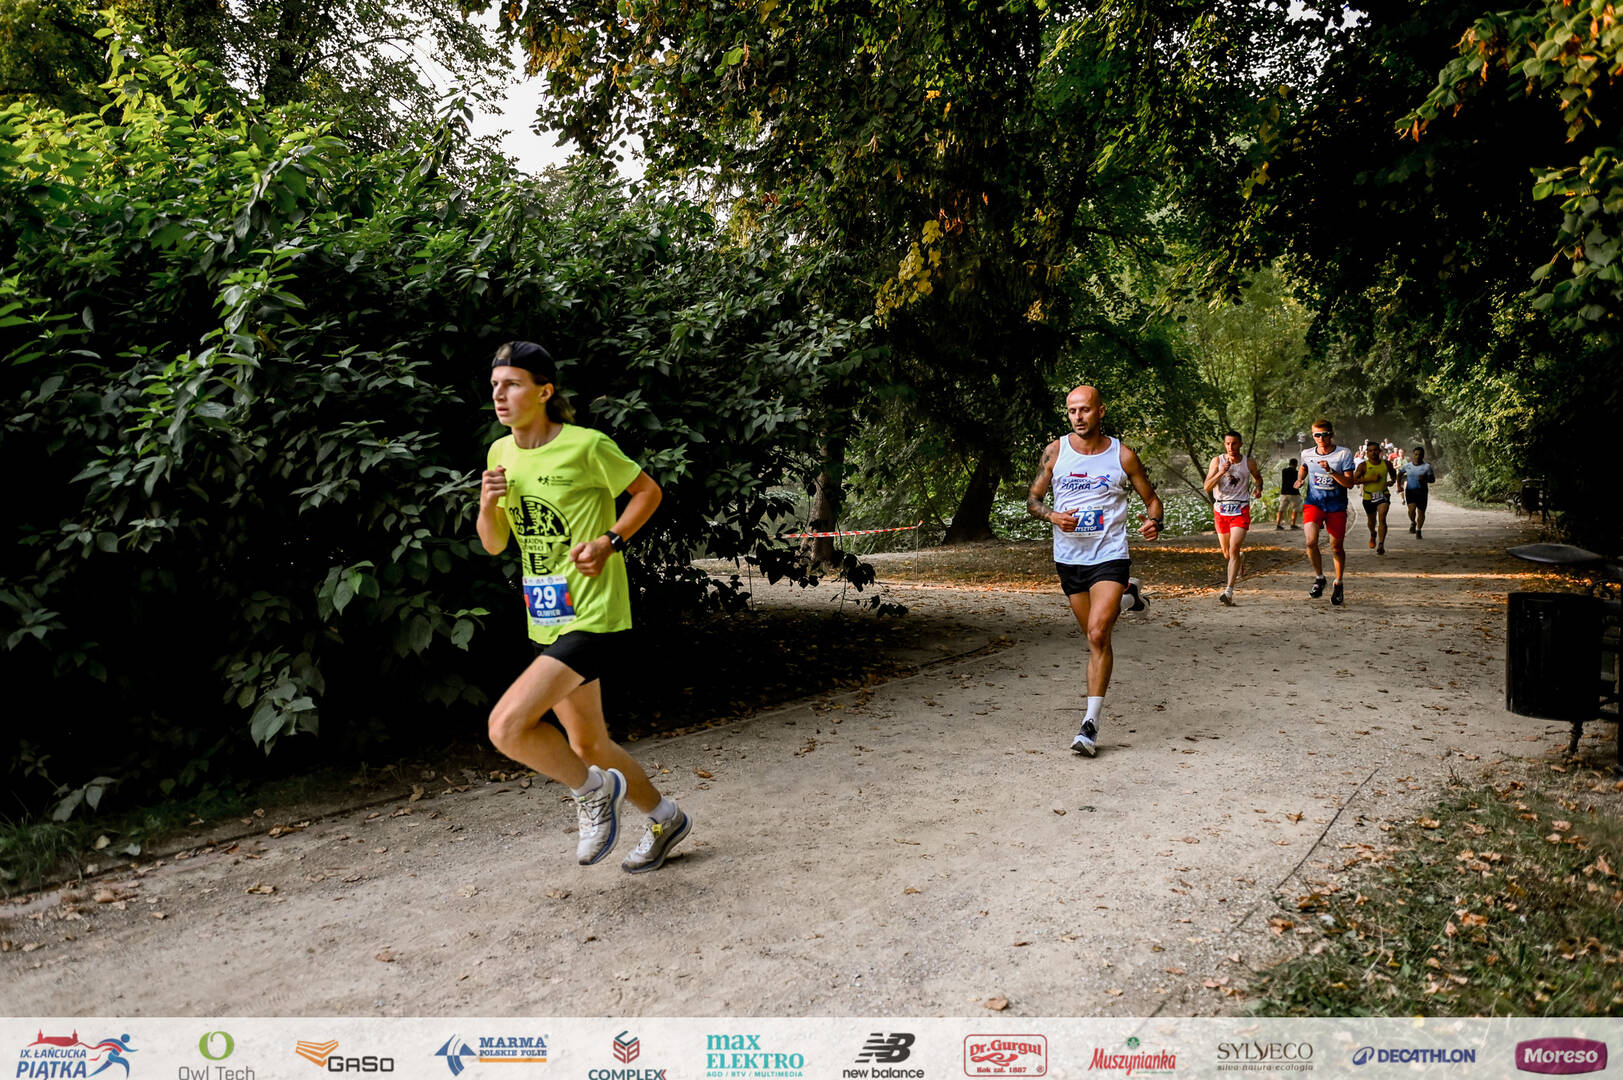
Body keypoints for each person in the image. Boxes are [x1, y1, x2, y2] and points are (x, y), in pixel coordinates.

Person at [477, 340, 691, 873]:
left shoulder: (587, 446)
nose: (500, 395)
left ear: (544, 391)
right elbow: (494, 543)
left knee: (506, 727)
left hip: (594, 614)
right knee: (589, 742)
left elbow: (647, 492)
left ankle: (593, 792)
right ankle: (665, 818)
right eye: (496, 385)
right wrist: (487, 504)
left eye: (513, 384)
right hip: (545, 614)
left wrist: (609, 542)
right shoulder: (500, 453)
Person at [1027, 385, 1164, 756]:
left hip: (1109, 554)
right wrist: (1052, 515)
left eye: (1085, 410)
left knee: (1099, 632)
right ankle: (1129, 597)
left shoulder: (1123, 455)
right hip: (1069, 559)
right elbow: (1033, 500)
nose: (1078, 417)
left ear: (1100, 411)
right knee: (1093, 636)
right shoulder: (1056, 452)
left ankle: (1089, 725)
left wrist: (1154, 522)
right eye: (1072, 411)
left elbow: (1152, 501)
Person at [1297, 419, 1357, 606]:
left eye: (1325, 435)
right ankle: (1319, 577)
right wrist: (1300, 479)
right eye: (1317, 435)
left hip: (1336, 506)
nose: (1321, 438)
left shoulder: (1343, 454)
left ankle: (1338, 583)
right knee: (1310, 542)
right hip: (1314, 503)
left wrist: (1331, 471)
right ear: (1312, 436)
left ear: (1331, 434)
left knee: (1336, 547)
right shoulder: (1307, 453)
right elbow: (1304, 467)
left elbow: (1349, 483)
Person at [1203, 430, 1263, 605]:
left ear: (1240, 444)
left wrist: (1258, 488)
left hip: (1240, 508)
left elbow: (1258, 478)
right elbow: (1207, 487)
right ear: (1225, 445)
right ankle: (1239, 558)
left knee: (1234, 548)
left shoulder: (1248, 462)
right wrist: (1221, 472)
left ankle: (1228, 592)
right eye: (1228, 444)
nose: (1231, 447)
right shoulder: (1217, 461)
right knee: (1227, 553)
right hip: (1221, 509)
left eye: (1234, 443)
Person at [1354, 438, 1395, 555]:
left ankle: (1381, 544)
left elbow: (1394, 474)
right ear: (1367, 453)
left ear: (1380, 451)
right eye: (1370, 451)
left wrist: (1392, 481)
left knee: (1382, 519)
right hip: (1368, 497)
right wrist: (1370, 479)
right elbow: (1354, 481)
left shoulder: (1386, 464)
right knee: (1371, 522)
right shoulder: (1363, 466)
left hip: (1383, 495)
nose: (1373, 453)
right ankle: (1373, 533)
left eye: (1376, 450)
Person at [1399, 446, 1435, 539]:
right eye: (1416, 454)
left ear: (1423, 456)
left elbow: (1432, 480)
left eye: (1420, 455)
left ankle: (1419, 530)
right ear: (1413, 455)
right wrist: (1399, 486)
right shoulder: (1408, 466)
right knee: (1411, 511)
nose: (1418, 456)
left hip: (1422, 492)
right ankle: (1413, 522)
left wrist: (1425, 478)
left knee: (1421, 512)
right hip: (1410, 491)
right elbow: (1400, 474)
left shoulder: (1427, 467)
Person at [1276, 457, 1301, 530]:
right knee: (1295, 509)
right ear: (1296, 464)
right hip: (1294, 493)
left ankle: (1278, 524)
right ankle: (1293, 524)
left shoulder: (1284, 471)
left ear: (1289, 463)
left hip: (1284, 493)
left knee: (1281, 509)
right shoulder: (1296, 472)